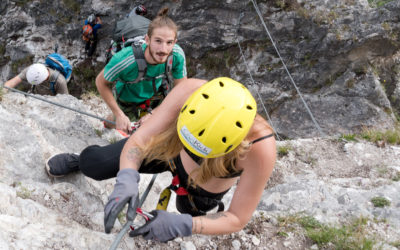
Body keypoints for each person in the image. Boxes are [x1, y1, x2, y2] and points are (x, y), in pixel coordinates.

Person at [45, 77, 277, 242]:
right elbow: (139, 140)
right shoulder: (190, 92)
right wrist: (127, 176)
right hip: (168, 148)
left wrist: (187, 225)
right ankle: (80, 160)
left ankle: (186, 209)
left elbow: (236, 218)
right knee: (95, 164)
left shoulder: (260, 148)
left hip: (204, 184)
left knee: (188, 211)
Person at [97, 7, 187, 134]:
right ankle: (105, 126)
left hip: (157, 93)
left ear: (175, 42)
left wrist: (154, 113)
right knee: (116, 120)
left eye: (169, 42)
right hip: (127, 96)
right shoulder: (126, 59)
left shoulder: (177, 55)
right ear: (147, 39)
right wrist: (119, 114)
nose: (163, 49)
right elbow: (101, 82)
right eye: (158, 41)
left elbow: (182, 90)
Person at [3, 63, 68, 95]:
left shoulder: (60, 82)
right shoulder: (32, 70)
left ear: (43, 79)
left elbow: (64, 101)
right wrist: (3, 91)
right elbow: (13, 81)